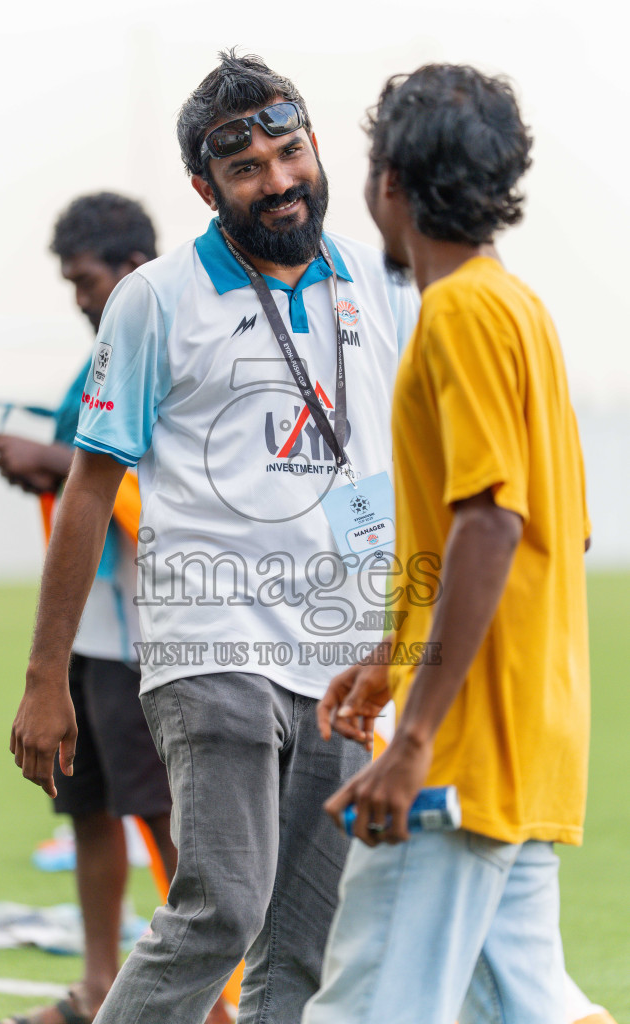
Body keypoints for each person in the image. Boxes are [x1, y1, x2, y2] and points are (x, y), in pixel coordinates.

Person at [7, 50, 419, 1024]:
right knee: (220, 908)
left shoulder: (378, 280)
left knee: (303, 945)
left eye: (288, 152)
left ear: (313, 147)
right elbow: (86, 490)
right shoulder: (154, 299)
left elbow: (400, 457)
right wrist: (45, 675)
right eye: (245, 167)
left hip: (339, 663)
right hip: (209, 648)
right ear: (204, 185)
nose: (277, 180)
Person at [303, 64, 591, 1024]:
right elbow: (554, 532)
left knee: (361, 1009)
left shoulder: (458, 315)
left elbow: (490, 525)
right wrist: (394, 656)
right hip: (525, 736)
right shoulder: (519, 309)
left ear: (388, 181)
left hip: (461, 751)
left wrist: (415, 736)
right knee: (528, 1008)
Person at [0, 193, 182, 1024]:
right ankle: (100, 988)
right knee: (88, 806)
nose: (80, 298)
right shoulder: (99, 351)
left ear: (132, 268)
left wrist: (47, 458)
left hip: (147, 631)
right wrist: (38, 467)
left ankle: (215, 997)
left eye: (86, 279)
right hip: (88, 628)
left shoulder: (169, 342)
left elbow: (142, 465)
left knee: (168, 822)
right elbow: (87, 469)